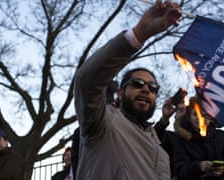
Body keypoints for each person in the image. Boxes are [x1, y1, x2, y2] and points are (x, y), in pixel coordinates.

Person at [73, 1, 181, 179]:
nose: (146, 89)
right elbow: (87, 82)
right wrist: (140, 33)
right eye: (137, 83)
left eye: (153, 88)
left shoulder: (159, 146)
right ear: (120, 93)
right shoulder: (102, 123)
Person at [173, 96, 224, 180]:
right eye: (195, 114)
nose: (200, 118)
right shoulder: (182, 141)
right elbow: (180, 170)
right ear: (189, 117)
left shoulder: (222, 136)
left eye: (203, 114)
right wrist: (198, 167)